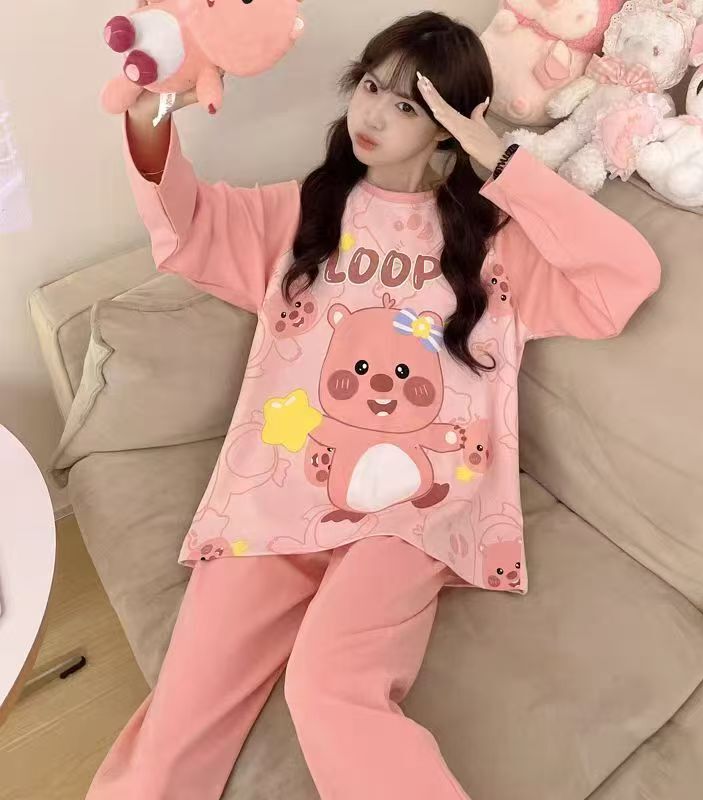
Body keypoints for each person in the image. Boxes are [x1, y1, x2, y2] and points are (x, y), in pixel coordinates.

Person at [86, 10, 660, 800]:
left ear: (449, 126)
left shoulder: (495, 245)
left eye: (406, 105)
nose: (372, 114)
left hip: (412, 508)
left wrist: (499, 158)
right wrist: (153, 111)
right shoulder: (303, 215)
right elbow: (186, 228)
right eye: (368, 86)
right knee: (174, 724)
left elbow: (626, 277)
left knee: (328, 688)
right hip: (276, 494)